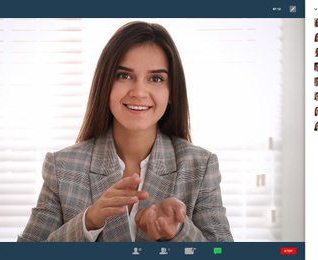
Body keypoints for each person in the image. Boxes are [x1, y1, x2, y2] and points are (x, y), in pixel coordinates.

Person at [17, 21, 233, 242]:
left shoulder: (200, 166)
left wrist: (179, 232)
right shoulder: (62, 167)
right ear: (105, 84)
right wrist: (87, 222)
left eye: (156, 78)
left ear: (172, 93)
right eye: (124, 75)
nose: (139, 92)